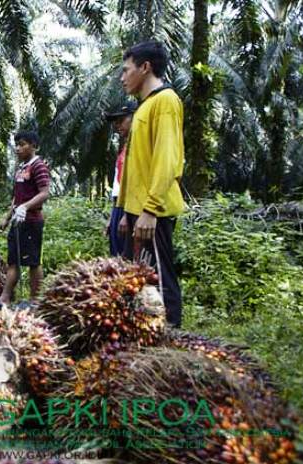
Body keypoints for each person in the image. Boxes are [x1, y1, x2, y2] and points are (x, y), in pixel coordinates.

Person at [116, 40, 185, 327]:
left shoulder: (165, 101)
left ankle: (173, 338)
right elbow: (134, 164)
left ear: (145, 68)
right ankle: (150, 335)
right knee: (143, 278)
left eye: (126, 70)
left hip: (152, 212)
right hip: (137, 210)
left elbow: (167, 159)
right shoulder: (144, 106)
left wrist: (151, 209)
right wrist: (124, 209)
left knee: (161, 277)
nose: (122, 77)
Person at [0, 130, 51, 311]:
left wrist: (26, 207)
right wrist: (8, 216)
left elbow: (44, 193)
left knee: (33, 262)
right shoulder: (21, 168)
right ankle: (4, 300)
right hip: (18, 221)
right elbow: (17, 196)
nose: (18, 148)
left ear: (34, 146)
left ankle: (35, 301)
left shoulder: (38, 166)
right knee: (14, 261)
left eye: (22, 144)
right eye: (17, 145)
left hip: (32, 221)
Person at [104, 101, 137, 256]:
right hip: (119, 206)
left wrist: (127, 215)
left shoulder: (139, 145)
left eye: (121, 120)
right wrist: (113, 216)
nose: (117, 126)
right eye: (115, 123)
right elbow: (119, 185)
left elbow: (135, 183)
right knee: (116, 257)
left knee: (129, 260)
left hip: (130, 207)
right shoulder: (126, 147)